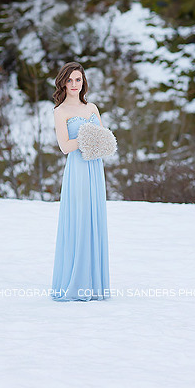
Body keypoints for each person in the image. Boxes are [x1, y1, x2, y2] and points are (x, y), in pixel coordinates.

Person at [50, 61, 110, 301]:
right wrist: (88, 136)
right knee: (81, 219)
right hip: (78, 170)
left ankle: (94, 284)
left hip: (95, 167)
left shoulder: (92, 107)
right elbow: (65, 147)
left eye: (78, 79)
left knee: (94, 219)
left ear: (83, 82)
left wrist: (97, 138)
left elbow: (104, 139)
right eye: (70, 80)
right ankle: (76, 282)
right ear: (63, 82)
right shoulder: (60, 112)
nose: (74, 84)